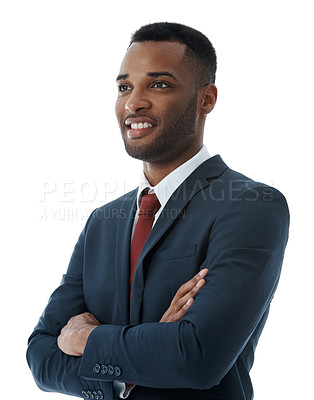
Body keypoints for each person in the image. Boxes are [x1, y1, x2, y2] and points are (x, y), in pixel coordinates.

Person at [26, 22, 289, 400]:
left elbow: (197, 358)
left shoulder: (250, 206)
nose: (134, 103)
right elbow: (40, 357)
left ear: (206, 99)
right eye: (124, 87)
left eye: (159, 84)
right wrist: (132, 368)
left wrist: (89, 338)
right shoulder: (103, 221)